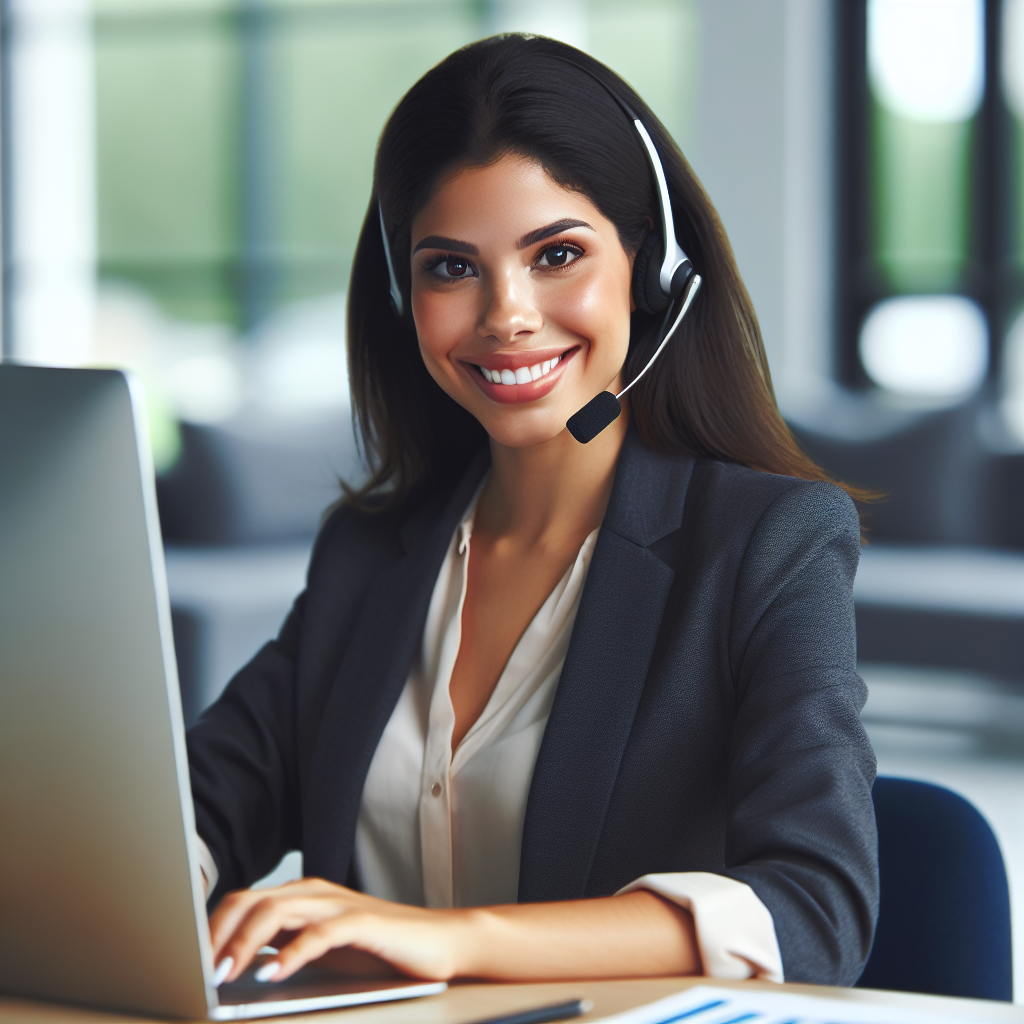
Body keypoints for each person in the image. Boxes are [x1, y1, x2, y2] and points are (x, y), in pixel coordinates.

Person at [187, 34, 878, 991]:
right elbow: (198, 804)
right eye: (450, 268)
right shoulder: (371, 552)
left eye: (556, 254)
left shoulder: (768, 543)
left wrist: (455, 940)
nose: (506, 315)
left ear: (656, 270)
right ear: (403, 299)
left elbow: (814, 907)